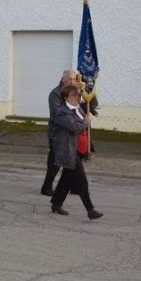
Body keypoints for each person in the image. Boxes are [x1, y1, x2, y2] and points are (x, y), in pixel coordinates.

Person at [49, 86, 103, 219]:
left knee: (66, 179)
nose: (77, 98)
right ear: (66, 97)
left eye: (78, 95)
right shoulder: (61, 112)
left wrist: (90, 93)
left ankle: (56, 203)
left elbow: (92, 104)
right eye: (73, 95)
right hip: (68, 151)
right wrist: (86, 121)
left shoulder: (77, 109)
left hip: (78, 149)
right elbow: (73, 126)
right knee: (81, 181)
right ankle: (90, 210)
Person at [41, 70, 78, 195]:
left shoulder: (74, 93)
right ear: (63, 79)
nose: (72, 82)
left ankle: (73, 186)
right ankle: (46, 187)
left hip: (70, 132)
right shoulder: (55, 94)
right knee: (55, 162)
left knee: (72, 161)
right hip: (56, 133)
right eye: (69, 79)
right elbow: (58, 114)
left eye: (74, 79)